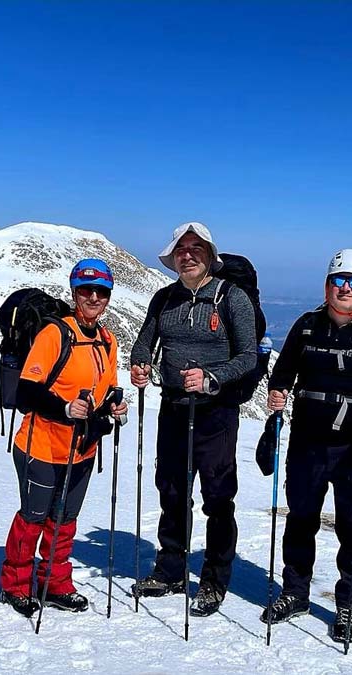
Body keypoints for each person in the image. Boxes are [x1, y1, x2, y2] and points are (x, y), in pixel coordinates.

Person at [260, 248, 352, 644]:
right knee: (300, 520)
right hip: (307, 441)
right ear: (326, 285)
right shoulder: (306, 327)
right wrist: (277, 391)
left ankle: (348, 607)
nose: (345, 287)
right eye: (339, 280)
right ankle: (295, 593)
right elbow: (284, 369)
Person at [129, 222, 257, 617]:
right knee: (171, 490)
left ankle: (215, 580)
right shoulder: (164, 299)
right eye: (181, 249)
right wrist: (139, 364)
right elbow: (144, 342)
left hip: (216, 412)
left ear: (209, 254)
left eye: (196, 248)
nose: (188, 254)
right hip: (173, 408)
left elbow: (248, 356)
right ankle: (170, 570)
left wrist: (211, 378)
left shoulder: (231, 298)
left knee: (218, 498)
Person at [0, 258, 127, 617]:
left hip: (82, 449)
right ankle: (17, 584)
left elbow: (105, 389)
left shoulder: (107, 340)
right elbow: (27, 391)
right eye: (86, 290)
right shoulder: (56, 333)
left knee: (65, 520)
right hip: (41, 445)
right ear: (74, 292)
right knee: (33, 518)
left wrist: (114, 406)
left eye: (101, 291)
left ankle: (55, 583)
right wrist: (65, 409)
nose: (94, 297)